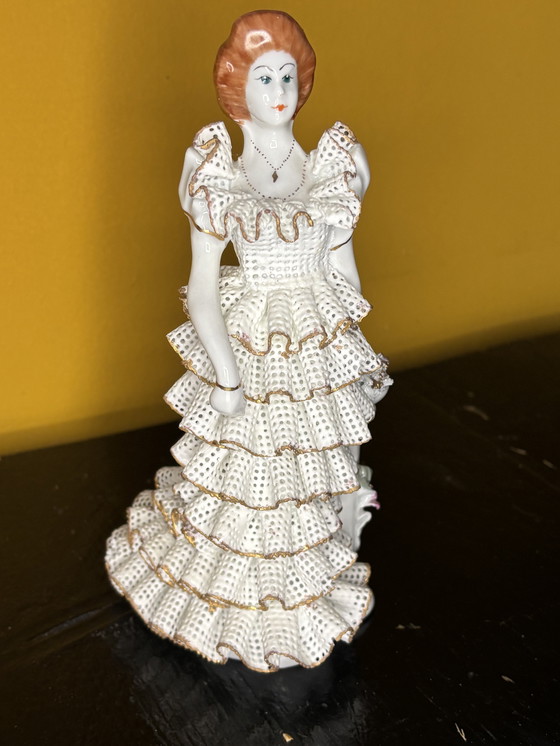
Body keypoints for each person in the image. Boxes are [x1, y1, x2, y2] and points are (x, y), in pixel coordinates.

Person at [106, 10, 391, 673]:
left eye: (288, 74)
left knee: (310, 464)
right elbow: (203, 290)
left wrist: (355, 354)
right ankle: (246, 591)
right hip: (251, 340)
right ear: (238, 85)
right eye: (264, 76)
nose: (279, 89)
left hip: (314, 342)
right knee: (251, 473)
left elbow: (343, 274)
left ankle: (303, 576)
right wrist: (227, 378)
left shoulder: (332, 166)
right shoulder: (218, 172)